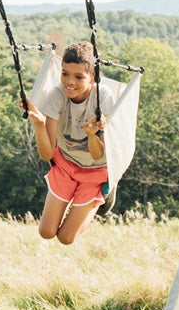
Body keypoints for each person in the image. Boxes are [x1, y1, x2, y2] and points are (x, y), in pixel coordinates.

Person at [26, 40, 117, 246]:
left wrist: (92, 135)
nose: (69, 82)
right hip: (66, 165)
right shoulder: (57, 95)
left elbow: (98, 155)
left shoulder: (103, 97)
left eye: (78, 77)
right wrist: (39, 125)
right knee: (46, 232)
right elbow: (46, 154)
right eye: (65, 73)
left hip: (95, 170)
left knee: (66, 238)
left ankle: (103, 195)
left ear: (92, 77)